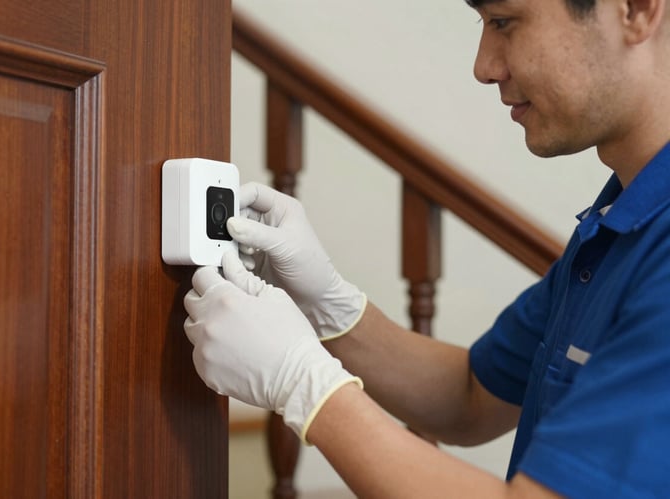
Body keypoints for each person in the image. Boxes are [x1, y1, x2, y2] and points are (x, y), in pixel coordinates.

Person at [183, 0, 670, 496]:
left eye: (504, 21)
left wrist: (305, 387)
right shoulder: (616, 224)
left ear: (635, 10)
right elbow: (471, 397)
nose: (484, 66)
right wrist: (326, 303)